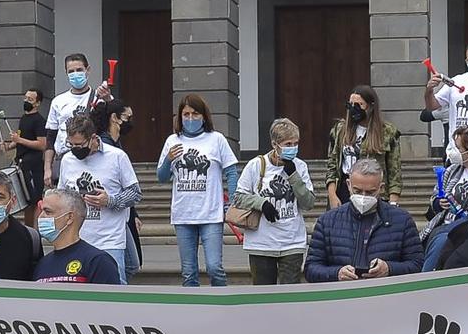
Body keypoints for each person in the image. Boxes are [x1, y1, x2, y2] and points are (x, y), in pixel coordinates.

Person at [158, 95, 239, 287]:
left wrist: (234, 202)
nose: (190, 118)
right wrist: (168, 159)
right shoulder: (172, 140)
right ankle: (192, 311)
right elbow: (161, 177)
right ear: (179, 116)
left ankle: (222, 304)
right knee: (188, 272)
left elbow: (231, 172)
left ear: (204, 116)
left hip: (210, 214)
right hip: (183, 215)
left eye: (195, 113)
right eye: (186, 114)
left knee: (214, 267)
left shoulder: (216, 139)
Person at [305, 158, 424, 282]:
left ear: (381, 188)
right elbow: (311, 268)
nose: (363, 196)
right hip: (341, 295)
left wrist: (389, 268)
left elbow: (417, 264)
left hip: (384, 295)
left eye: (370, 192)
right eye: (357, 191)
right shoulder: (327, 221)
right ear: (348, 185)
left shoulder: (402, 220)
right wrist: (337, 273)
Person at [54, 113, 141, 281]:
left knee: (114, 286)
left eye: (79, 145)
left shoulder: (116, 157)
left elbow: (135, 193)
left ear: (93, 138)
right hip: (78, 238)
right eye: (71, 144)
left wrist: (110, 200)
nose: (75, 149)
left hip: (109, 238)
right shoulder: (67, 160)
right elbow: (62, 196)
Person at [236, 118, 317, 285]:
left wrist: (294, 176)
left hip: (291, 241)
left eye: (296, 143)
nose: (293, 148)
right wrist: (262, 204)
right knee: (263, 296)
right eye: (288, 144)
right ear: (275, 144)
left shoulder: (300, 166)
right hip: (262, 243)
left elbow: (308, 203)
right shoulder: (256, 165)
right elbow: (238, 197)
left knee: (290, 295)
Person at [325, 85, 402, 207]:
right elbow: (332, 166)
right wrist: (332, 196)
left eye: (359, 105)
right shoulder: (340, 130)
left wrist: (393, 201)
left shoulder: (388, 132)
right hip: (345, 189)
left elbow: (394, 171)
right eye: (351, 104)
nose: (354, 109)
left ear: (371, 106)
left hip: (373, 190)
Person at [34, 188, 122, 286]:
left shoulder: (97, 261)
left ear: (70, 217)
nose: (41, 217)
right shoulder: (42, 264)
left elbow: (108, 300)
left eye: (48, 211)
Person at [44, 52, 98, 180]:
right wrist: (47, 168)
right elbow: (50, 138)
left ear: (87, 70)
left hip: (91, 158)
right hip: (63, 158)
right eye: (71, 71)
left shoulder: (99, 98)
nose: (75, 74)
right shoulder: (58, 101)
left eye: (79, 70)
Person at [9, 85, 50, 225]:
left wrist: (19, 140)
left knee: (35, 199)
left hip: (33, 165)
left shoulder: (39, 120)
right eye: (26, 98)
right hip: (22, 164)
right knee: (26, 201)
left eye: (30, 99)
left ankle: (35, 231)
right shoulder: (23, 118)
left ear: (37, 103)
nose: (26, 101)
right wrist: (10, 145)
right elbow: (22, 138)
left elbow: (42, 144)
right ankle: (27, 229)